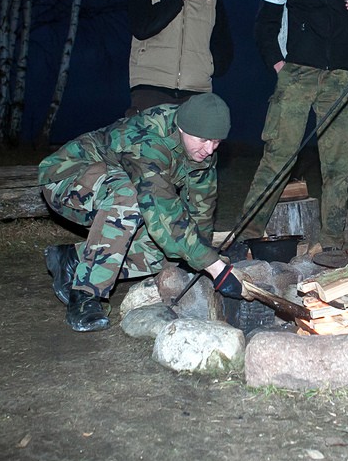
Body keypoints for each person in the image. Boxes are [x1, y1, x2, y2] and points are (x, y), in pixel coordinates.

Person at [39, 93, 250, 332]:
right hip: (66, 179)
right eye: (203, 140)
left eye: (217, 142)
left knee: (172, 255)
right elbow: (161, 211)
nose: (209, 150)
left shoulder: (201, 150)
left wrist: (203, 258)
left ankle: (73, 259)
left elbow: (201, 208)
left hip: (111, 188)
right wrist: (216, 269)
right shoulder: (148, 139)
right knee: (130, 195)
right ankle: (85, 294)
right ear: (183, 128)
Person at [240, 0, 348, 250]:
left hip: (337, 79)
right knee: (279, 155)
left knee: (338, 162)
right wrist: (279, 65)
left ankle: (332, 242)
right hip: (297, 75)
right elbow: (265, 25)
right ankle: (248, 234)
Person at [126, 0, 234, 117]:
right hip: (151, 87)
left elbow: (223, 41)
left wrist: (210, 66)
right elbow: (142, 28)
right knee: (148, 137)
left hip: (197, 92)